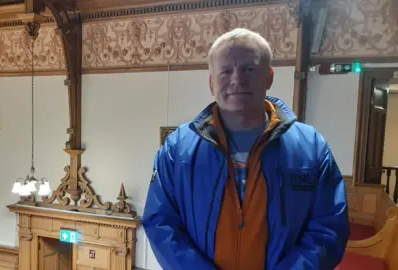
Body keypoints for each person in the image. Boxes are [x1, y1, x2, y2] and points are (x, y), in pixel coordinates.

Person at [142, 28, 350, 270]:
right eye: (225, 71)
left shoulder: (311, 148)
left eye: (249, 69)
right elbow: (160, 222)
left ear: (269, 77)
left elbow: (329, 227)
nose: (237, 79)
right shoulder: (177, 149)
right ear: (211, 82)